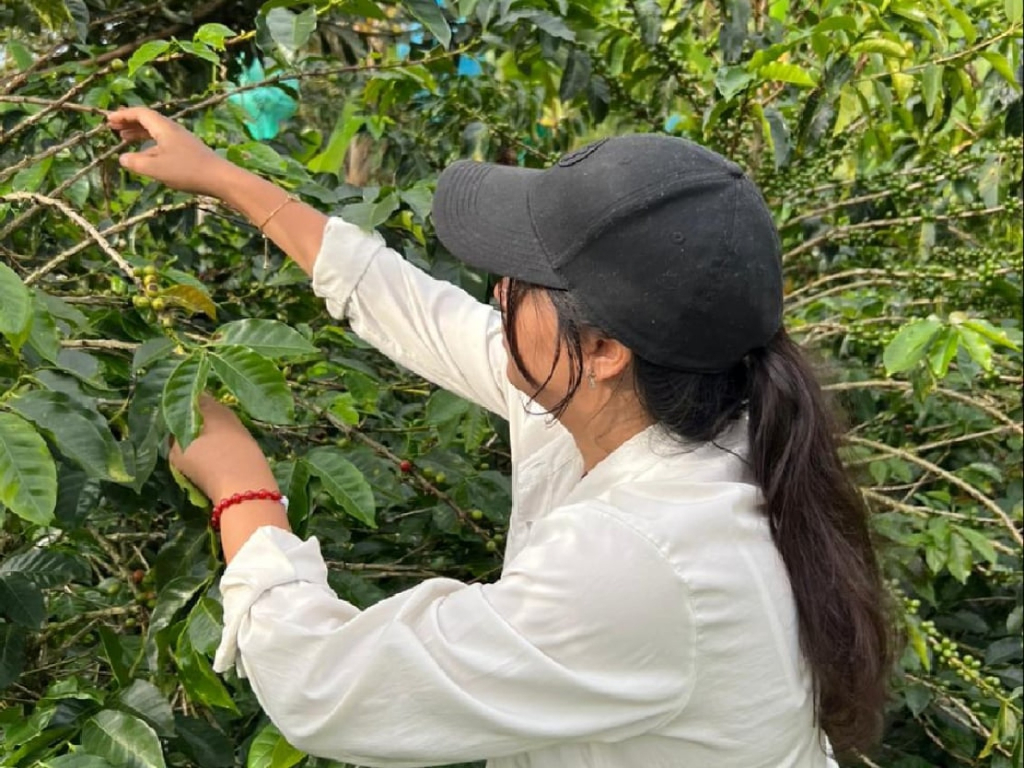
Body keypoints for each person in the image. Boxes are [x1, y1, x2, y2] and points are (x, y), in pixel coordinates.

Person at [107, 107, 894, 768]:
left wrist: (242, 488)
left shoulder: (643, 558)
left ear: (604, 348)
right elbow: (417, 310)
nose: (496, 291)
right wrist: (224, 178)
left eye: (522, 277)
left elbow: (325, 688)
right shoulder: (689, 402)